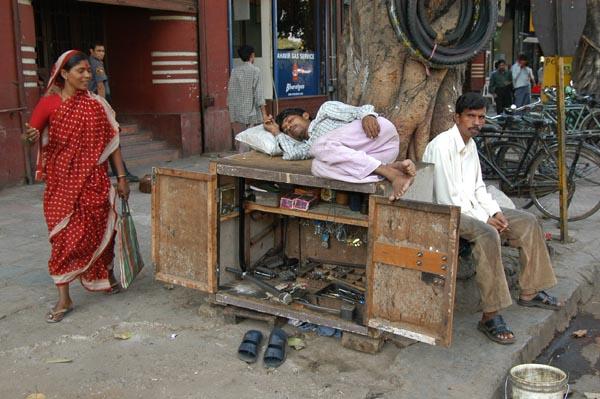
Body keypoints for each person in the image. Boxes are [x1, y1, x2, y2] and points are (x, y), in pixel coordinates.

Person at [422, 92, 563, 345]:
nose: (476, 122)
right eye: (471, 117)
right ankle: (490, 315)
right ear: (457, 117)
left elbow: (478, 188)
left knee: (528, 221)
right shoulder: (441, 146)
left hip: (475, 210)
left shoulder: (471, 145)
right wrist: (486, 220)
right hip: (449, 214)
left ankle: (530, 291)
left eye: (481, 117)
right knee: (488, 234)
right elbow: (448, 198)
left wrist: (495, 212)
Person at [23, 50, 130, 323]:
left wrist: (121, 178)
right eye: (80, 71)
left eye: (88, 71)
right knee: (62, 237)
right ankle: (64, 298)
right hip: (61, 184)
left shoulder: (97, 104)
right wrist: (29, 137)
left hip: (94, 180)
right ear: (64, 74)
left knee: (99, 229)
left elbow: (113, 143)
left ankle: (104, 276)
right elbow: (29, 137)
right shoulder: (48, 105)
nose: (86, 76)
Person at [263, 101, 415, 200]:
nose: (289, 127)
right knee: (317, 167)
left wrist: (367, 115)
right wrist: (276, 132)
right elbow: (291, 154)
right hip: (380, 157)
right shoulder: (308, 146)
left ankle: (388, 173)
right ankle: (389, 171)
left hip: (377, 134)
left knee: (319, 146)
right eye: (286, 130)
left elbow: (356, 111)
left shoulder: (325, 111)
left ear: (305, 115)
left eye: (290, 121)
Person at [88, 42, 139, 182]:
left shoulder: (88, 64)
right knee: (112, 138)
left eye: (103, 51)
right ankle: (121, 171)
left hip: (93, 104)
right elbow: (100, 87)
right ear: (91, 51)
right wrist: (105, 109)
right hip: (100, 104)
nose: (101, 54)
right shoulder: (96, 65)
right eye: (98, 50)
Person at [227, 44, 268, 151]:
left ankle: (241, 157)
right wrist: (264, 115)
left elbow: (231, 92)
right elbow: (259, 94)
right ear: (252, 55)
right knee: (251, 139)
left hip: (239, 111)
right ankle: (245, 159)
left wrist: (232, 111)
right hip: (252, 112)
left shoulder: (235, 71)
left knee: (242, 137)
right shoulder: (255, 71)